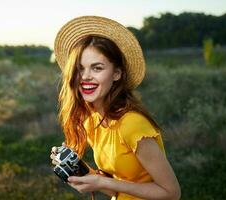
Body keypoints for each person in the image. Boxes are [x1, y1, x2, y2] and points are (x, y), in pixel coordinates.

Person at [50, 16, 181, 200]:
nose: (85, 77)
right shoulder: (92, 121)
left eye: (97, 68)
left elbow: (171, 193)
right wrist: (81, 170)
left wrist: (104, 182)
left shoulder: (132, 124)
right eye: (80, 69)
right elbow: (119, 190)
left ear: (117, 73)